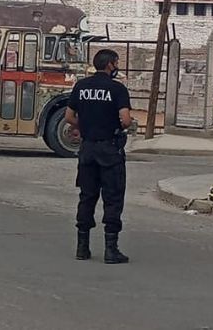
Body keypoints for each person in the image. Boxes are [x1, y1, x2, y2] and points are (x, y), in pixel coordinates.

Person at [65, 49, 133, 264]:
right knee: (112, 198)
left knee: (87, 196)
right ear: (111, 65)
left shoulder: (81, 86)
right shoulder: (117, 89)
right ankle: (111, 250)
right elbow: (125, 120)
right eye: (116, 62)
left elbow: (69, 116)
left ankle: (82, 247)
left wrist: (85, 125)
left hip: (87, 150)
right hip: (109, 150)